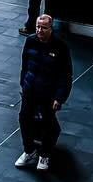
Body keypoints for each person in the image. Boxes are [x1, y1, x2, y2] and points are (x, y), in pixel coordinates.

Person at [16, 13, 73, 172]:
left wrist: (59, 97)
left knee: (50, 124)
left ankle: (45, 154)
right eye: (38, 27)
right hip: (30, 89)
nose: (40, 30)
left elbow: (66, 75)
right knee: (24, 118)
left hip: (47, 92)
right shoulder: (31, 41)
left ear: (51, 28)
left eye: (44, 28)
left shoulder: (60, 46)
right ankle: (29, 150)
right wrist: (23, 84)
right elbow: (25, 64)